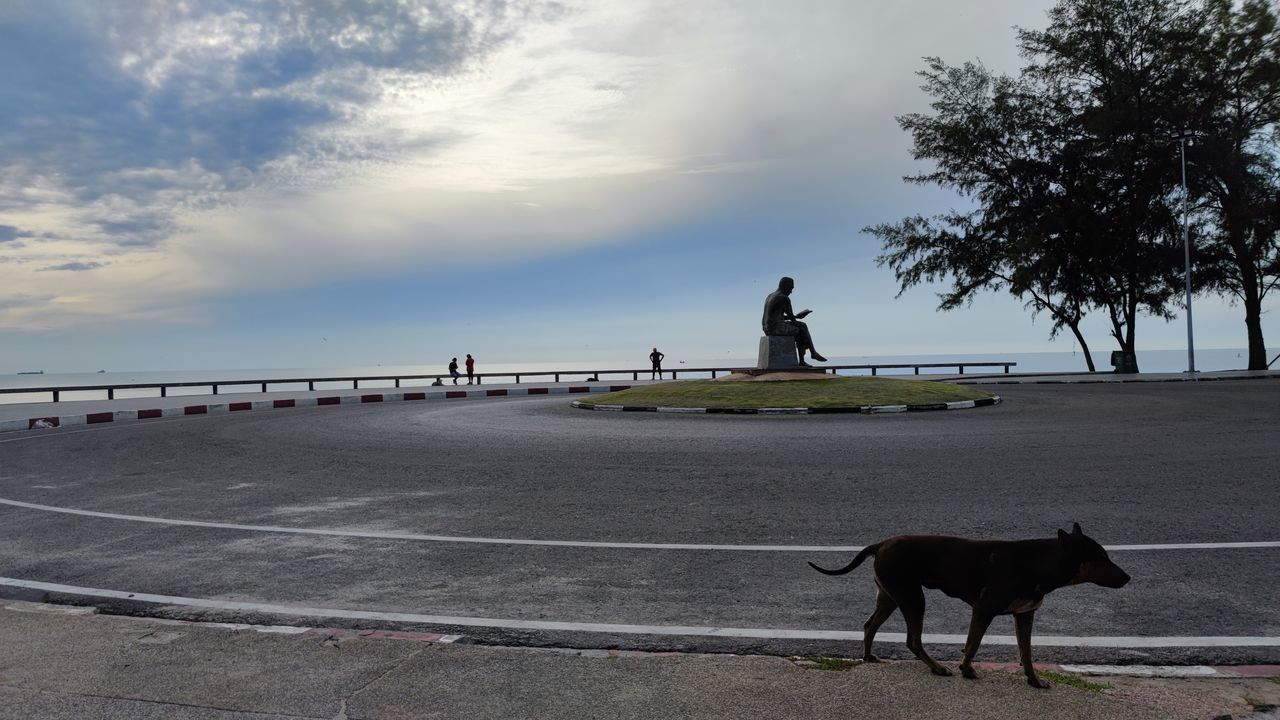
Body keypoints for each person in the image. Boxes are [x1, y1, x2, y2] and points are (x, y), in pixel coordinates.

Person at [762, 276, 827, 365]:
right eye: (790, 288)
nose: (791, 292)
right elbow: (793, 321)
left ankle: (812, 353)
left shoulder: (770, 296)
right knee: (802, 328)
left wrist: (796, 316)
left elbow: (775, 316)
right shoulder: (783, 298)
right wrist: (798, 317)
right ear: (785, 286)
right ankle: (807, 357)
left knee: (800, 327)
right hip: (776, 329)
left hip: (767, 328)